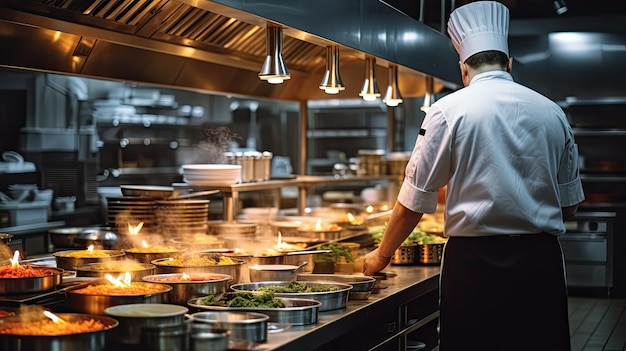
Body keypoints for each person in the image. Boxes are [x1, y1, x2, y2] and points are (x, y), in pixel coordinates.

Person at [362, 1, 585, 350]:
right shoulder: (553, 113)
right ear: (508, 64)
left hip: (473, 266)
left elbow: (414, 200)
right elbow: (570, 207)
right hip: (539, 265)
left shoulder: (447, 111)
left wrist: (381, 256)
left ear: (463, 68)